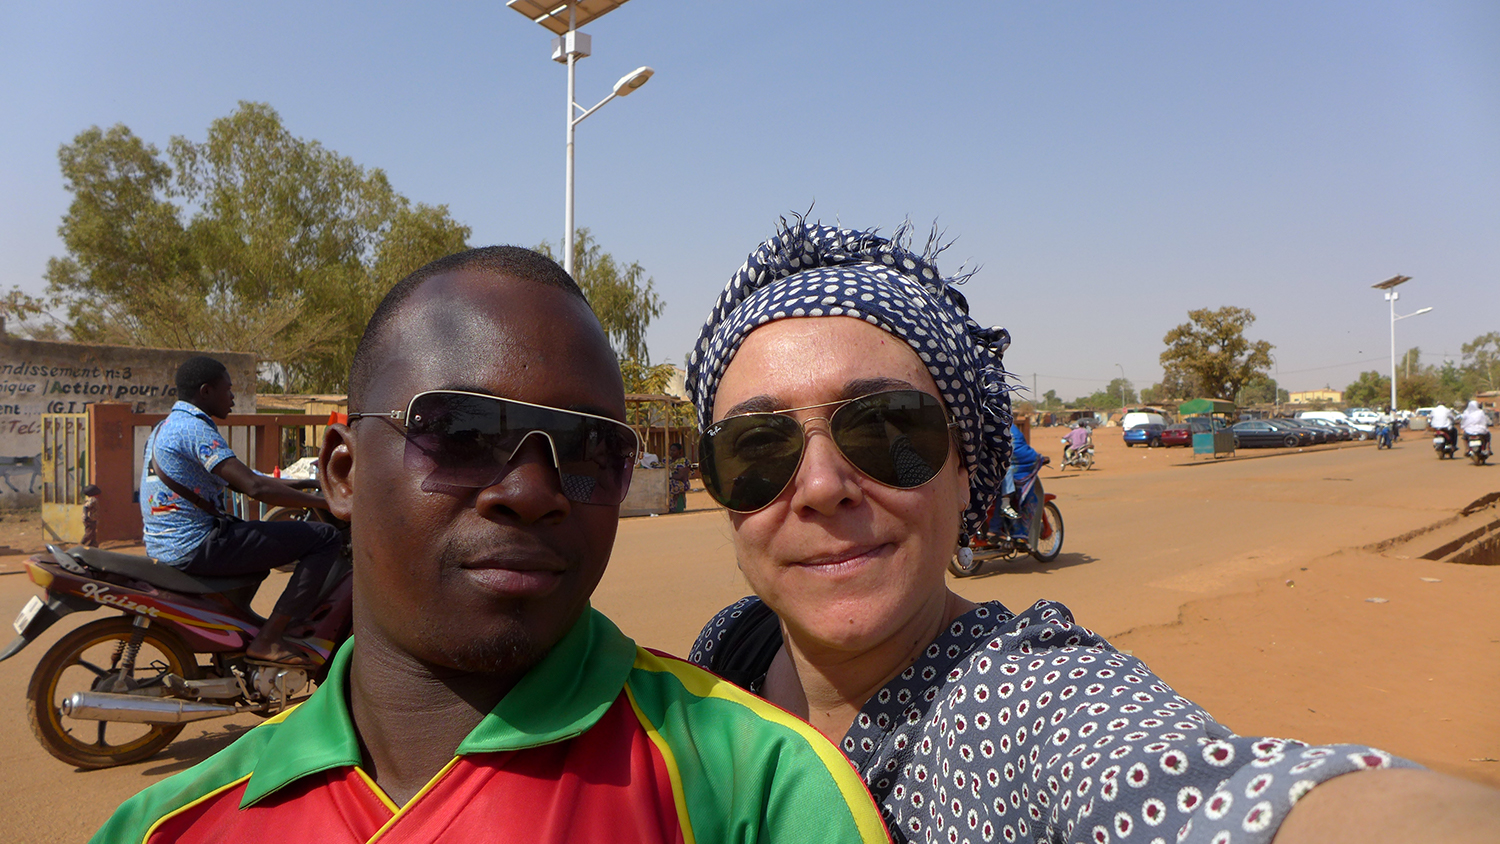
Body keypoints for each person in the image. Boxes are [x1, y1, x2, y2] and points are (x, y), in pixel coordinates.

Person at [685, 219, 1500, 843]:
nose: (822, 486)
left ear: (969, 466)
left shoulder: (1020, 706)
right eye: (756, 448)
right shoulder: (732, 650)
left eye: (887, 429)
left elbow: (1189, 791)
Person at [94, 247, 889, 844]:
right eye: (463, 432)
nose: (532, 491)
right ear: (342, 473)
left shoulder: (758, 791)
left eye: (588, 450)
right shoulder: (170, 825)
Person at [140, 356, 340, 665]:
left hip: (167, 545)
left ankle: (241, 635)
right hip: (198, 545)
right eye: (227, 389)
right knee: (324, 537)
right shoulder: (195, 429)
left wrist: (303, 483)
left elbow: (243, 479)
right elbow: (254, 488)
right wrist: (325, 503)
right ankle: (270, 638)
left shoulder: (164, 428)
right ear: (206, 391)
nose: (232, 397)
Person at [668, 441, 690, 512]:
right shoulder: (667, 460)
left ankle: (672, 506)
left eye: (674, 450)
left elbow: (681, 476)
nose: (671, 452)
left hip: (682, 483)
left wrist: (669, 476)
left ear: (679, 451)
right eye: (671, 450)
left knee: (669, 484)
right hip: (670, 480)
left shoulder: (683, 461)